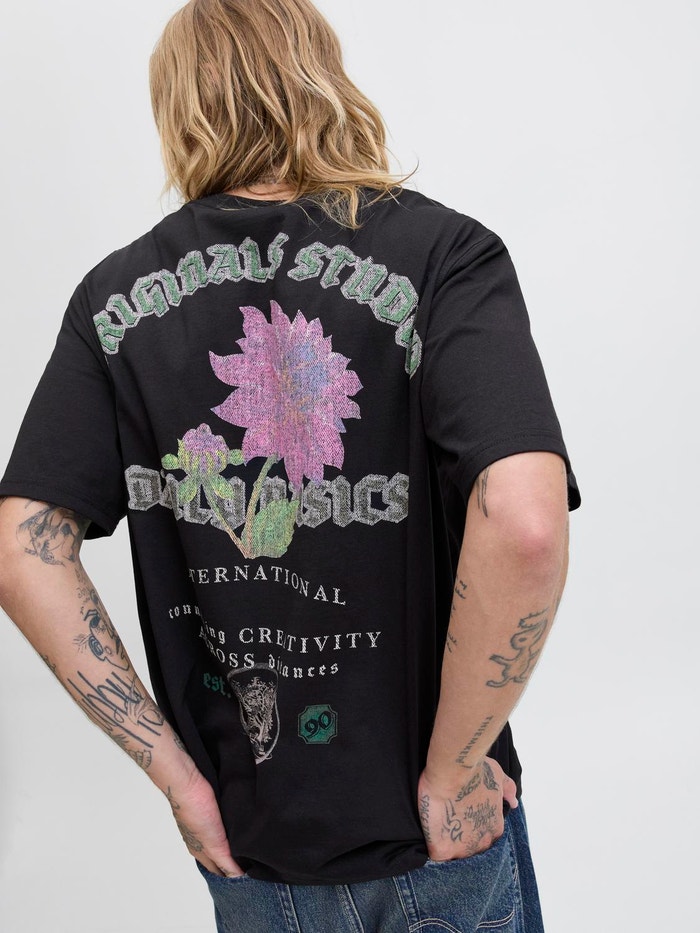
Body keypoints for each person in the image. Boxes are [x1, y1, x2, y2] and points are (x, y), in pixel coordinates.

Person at [0, 0, 580, 930]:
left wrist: (178, 780)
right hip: (440, 843)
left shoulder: (113, 301)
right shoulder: (445, 255)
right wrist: (454, 772)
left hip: (250, 852)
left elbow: (23, 547)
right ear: (320, 75)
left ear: (181, 106)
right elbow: (525, 520)